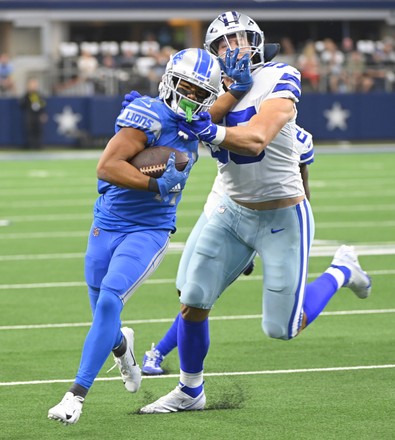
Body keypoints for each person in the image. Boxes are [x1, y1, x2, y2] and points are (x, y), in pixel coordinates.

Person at [138, 11, 372, 414]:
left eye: (240, 39)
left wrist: (209, 130)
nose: (233, 48)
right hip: (230, 209)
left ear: (256, 42)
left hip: (281, 216)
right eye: (223, 43)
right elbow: (179, 128)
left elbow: (258, 137)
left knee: (282, 328)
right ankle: (190, 390)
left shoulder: (281, 75)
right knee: (192, 297)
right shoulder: (209, 88)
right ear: (212, 51)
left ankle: (341, 270)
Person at [47, 47, 222, 425]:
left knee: (110, 301)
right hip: (106, 224)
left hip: (149, 229)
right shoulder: (147, 114)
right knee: (103, 320)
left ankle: (75, 396)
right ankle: (122, 347)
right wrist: (153, 184)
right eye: (186, 88)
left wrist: (238, 87)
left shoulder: (200, 122)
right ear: (170, 80)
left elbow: (232, 121)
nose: (192, 98)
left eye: (199, 93)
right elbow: (107, 166)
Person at [141, 124, 314, 375]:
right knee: (188, 290)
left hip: (269, 216)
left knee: (282, 326)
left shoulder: (294, 133)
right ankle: (168, 362)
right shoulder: (224, 108)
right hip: (223, 206)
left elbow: (300, 185)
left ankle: (341, 271)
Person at [19, 78, 48, 149]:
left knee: (38, 130)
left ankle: (38, 145)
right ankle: (31, 145)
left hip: (38, 115)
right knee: (30, 130)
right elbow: (22, 104)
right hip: (30, 115)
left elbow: (43, 105)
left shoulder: (39, 95)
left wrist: (43, 114)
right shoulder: (27, 95)